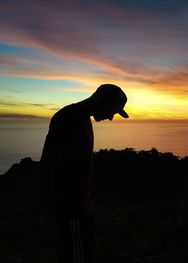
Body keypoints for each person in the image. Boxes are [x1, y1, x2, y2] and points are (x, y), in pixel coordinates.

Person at [39, 84, 128, 263]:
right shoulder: (68, 119)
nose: (111, 117)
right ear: (101, 102)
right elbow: (48, 168)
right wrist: (50, 217)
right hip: (71, 211)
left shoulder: (81, 120)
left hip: (81, 209)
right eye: (112, 110)